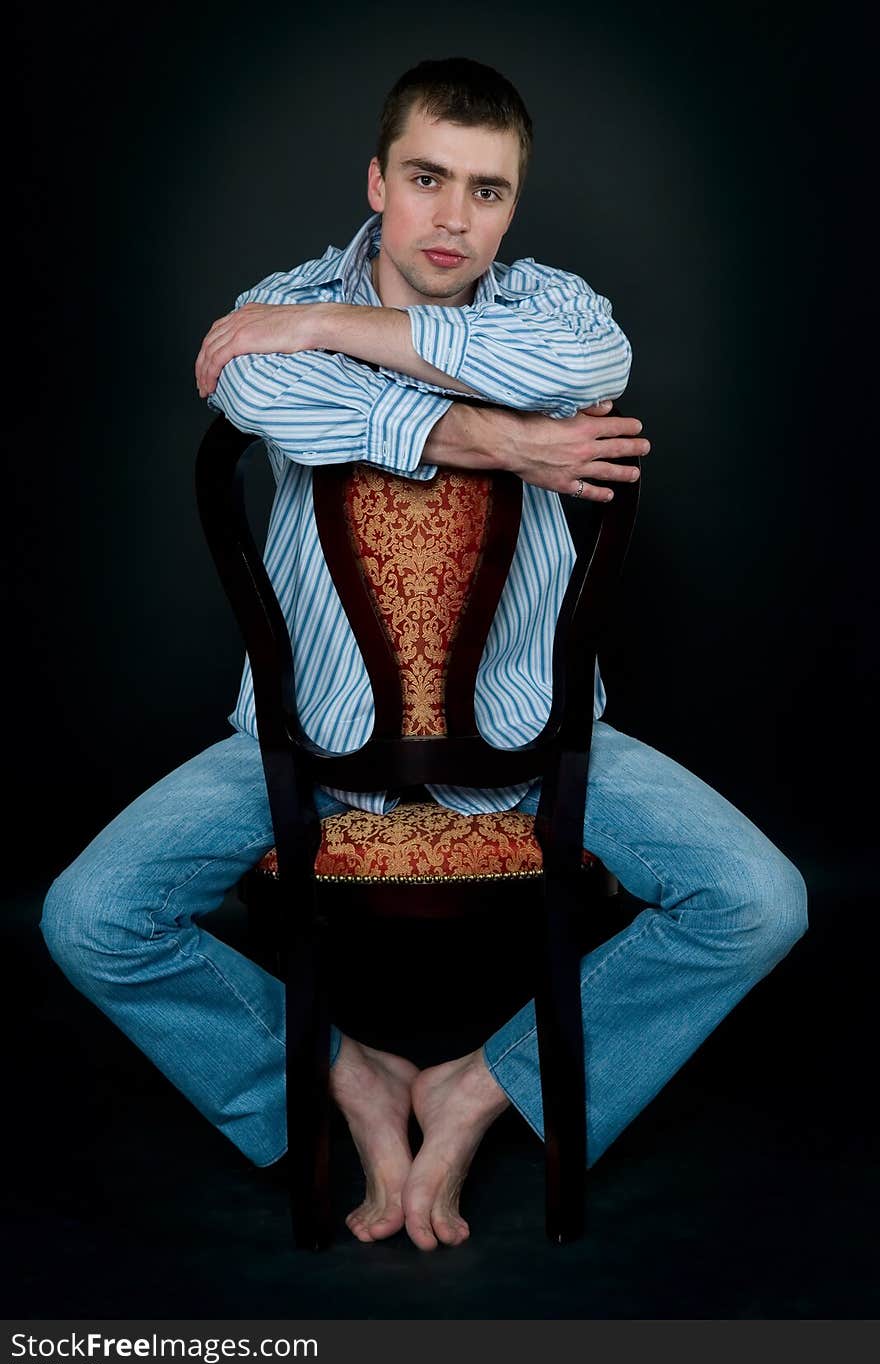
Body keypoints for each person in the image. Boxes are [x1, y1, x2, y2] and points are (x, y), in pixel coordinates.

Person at [40, 57, 808, 1253]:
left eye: (488, 191)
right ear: (376, 181)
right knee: (89, 916)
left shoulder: (543, 309)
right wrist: (496, 438)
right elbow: (249, 386)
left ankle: (483, 1086)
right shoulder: (270, 305)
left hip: (541, 745)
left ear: (513, 203)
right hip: (299, 745)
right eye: (427, 178)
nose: (455, 218)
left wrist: (334, 329)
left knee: (760, 902)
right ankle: (338, 1075)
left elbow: (587, 374)